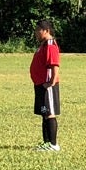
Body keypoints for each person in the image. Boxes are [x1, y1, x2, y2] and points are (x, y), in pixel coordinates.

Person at [30, 19, 61, 151]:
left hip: (47, 85)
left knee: (50, 113)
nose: (36, 33)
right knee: (44, 113)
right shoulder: (43, 45)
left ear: (46, 31)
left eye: (38, 30)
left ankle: (53, 144)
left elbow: (54, 64)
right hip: (40, 84)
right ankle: (46, 143)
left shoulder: (50, 45)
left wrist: (51, 82)